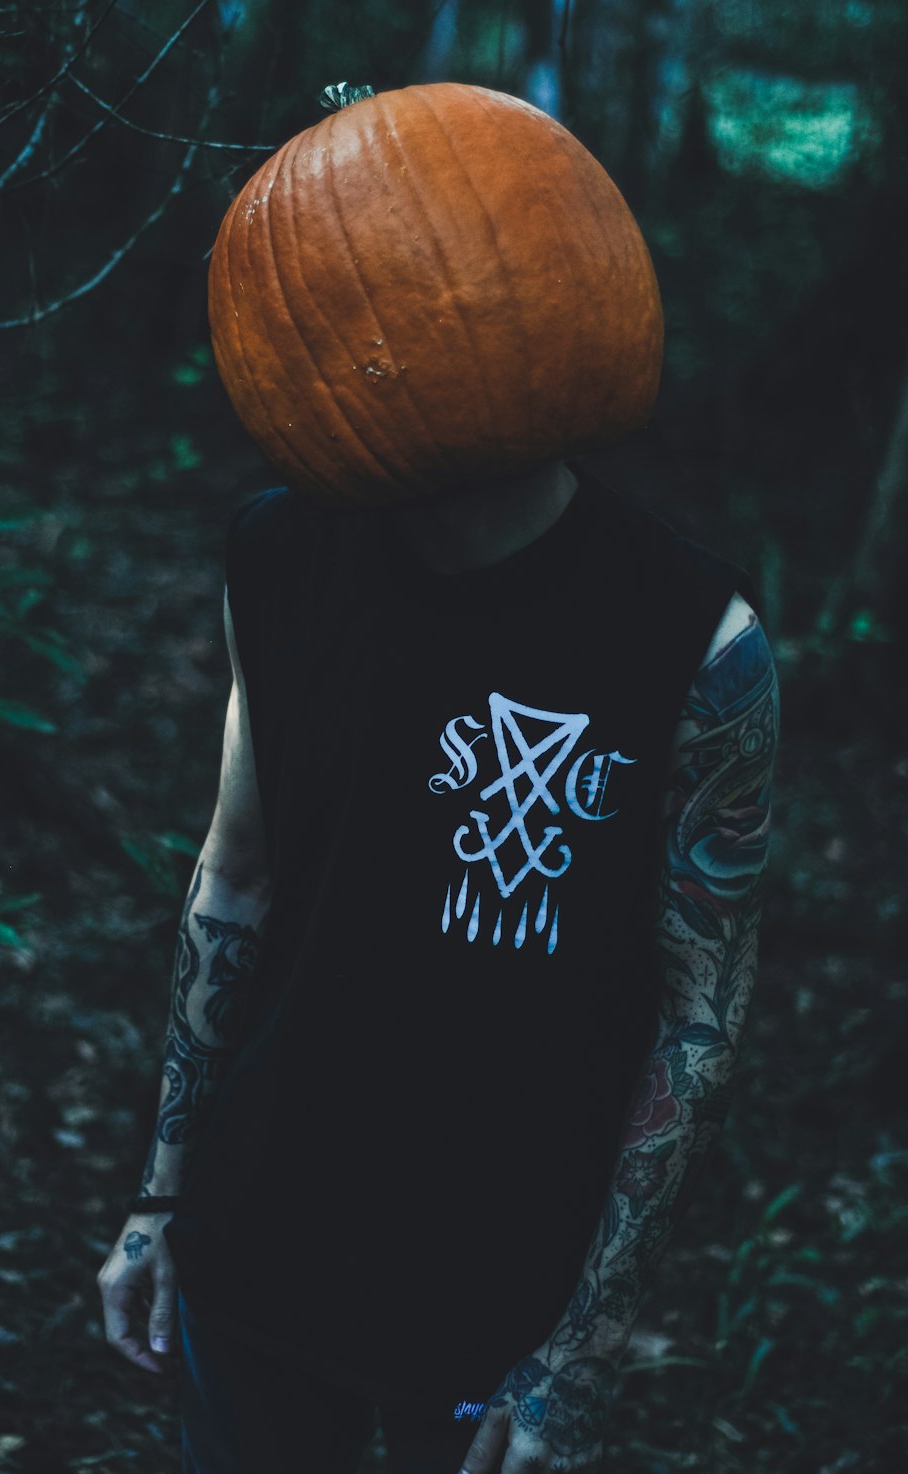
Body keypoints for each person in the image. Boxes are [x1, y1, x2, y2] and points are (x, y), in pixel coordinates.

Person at [97, 451, 779, 1474]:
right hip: (260, 1233)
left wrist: (585, 1347)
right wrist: (159, 1199)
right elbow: (236, 876)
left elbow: (699, 1014)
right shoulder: (278, 552)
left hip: (503, 1293)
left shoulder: (694, 638)